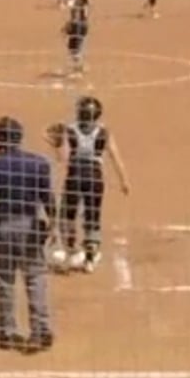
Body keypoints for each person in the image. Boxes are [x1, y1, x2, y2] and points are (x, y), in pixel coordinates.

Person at [0, 116, 56, 352]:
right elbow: (47, 198)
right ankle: (39, 331)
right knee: (35, 278)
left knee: (3, 280)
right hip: (30, 226)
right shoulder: (38, 163)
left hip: (1, 227)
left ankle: (5, 332)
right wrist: (54, 223)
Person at [47, 95, 131, 273]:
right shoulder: (104, 133)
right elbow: (115, 158)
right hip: (95, 178)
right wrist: (124, 180)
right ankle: (90, 260)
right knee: (92, 216)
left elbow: (63, 158)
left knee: (68, 215)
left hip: (75, 176)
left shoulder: (70, 130)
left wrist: (54, 144)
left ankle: (70, 252)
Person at [62, 0, 92, 80]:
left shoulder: (81, 6)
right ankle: (79, 67)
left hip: (78, 27)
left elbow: (77, 17)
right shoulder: (82, 5)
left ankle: (78, 69)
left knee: (74, 48)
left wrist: (68, 26)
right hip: (79, 27)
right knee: (74, 48)